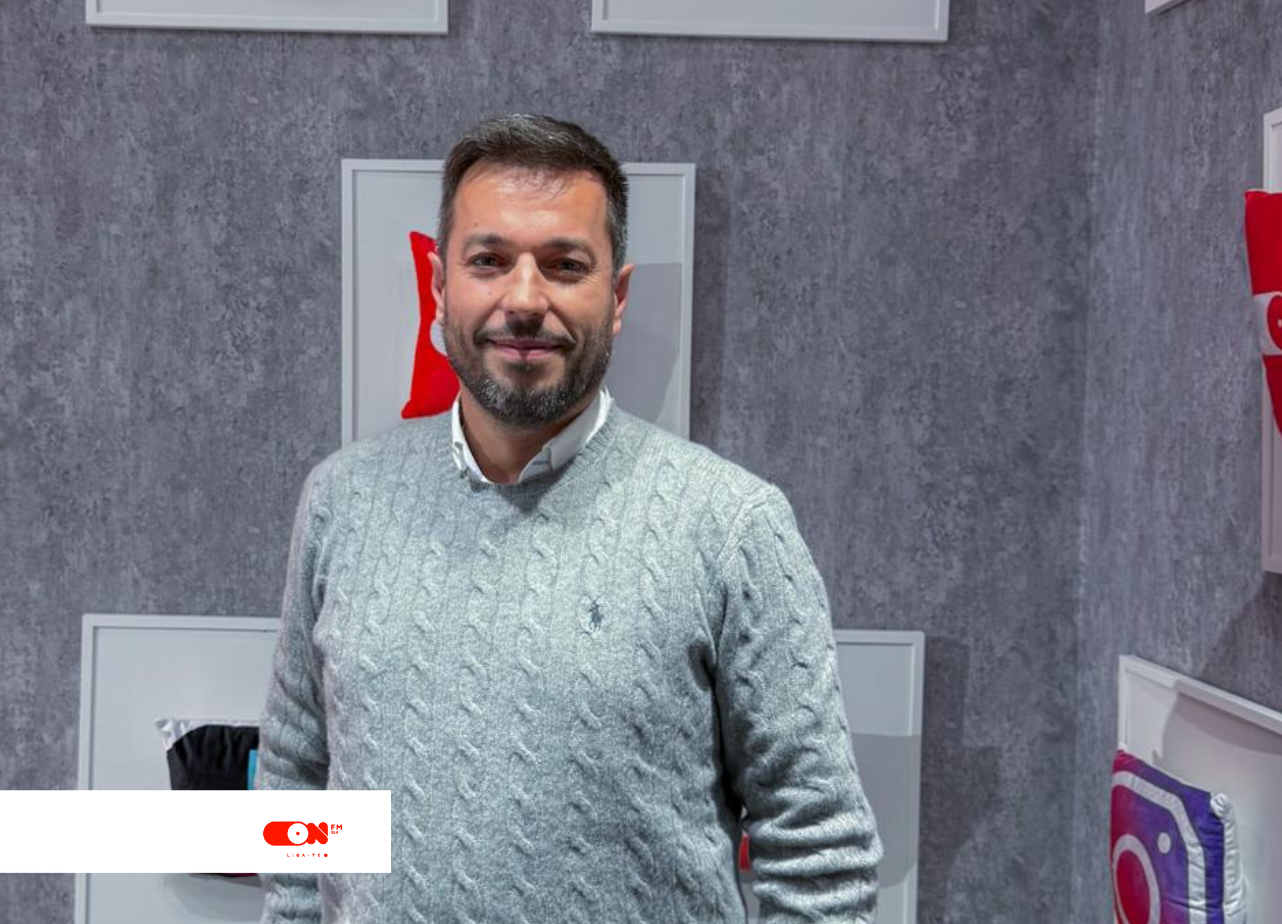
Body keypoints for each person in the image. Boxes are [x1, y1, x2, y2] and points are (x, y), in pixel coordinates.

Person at [258, 113, 880, 923]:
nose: (524, 300)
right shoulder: (342, 502)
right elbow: (296, 784)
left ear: (615, 297)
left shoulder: (733, 526)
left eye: (565, 265)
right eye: (489, 261)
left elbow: (821, 852)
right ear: (440, 289)